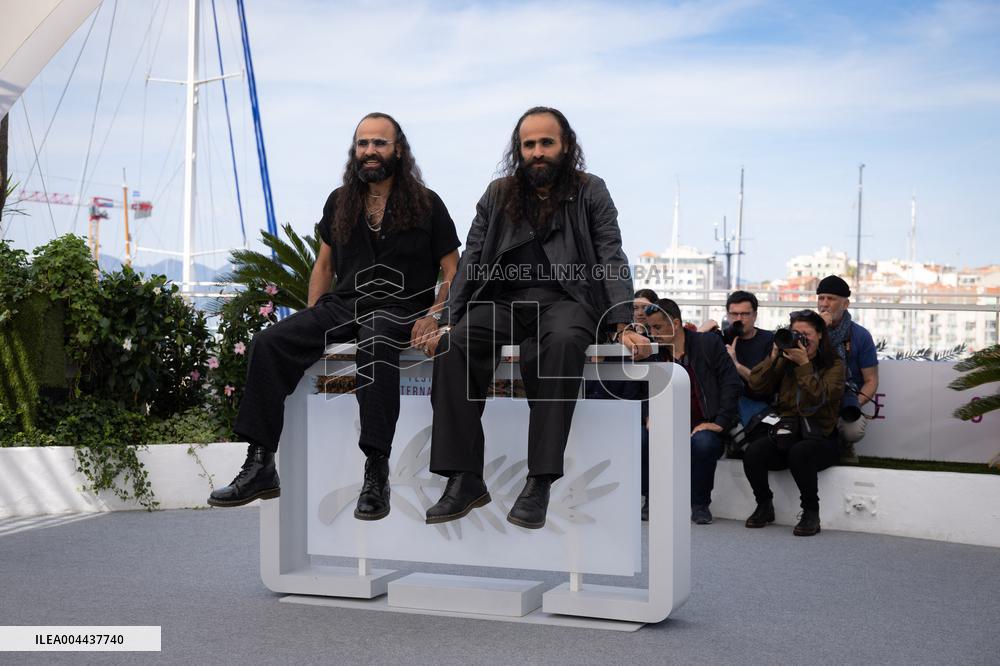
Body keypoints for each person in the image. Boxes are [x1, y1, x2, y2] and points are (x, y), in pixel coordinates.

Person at [207, 113, 461, 522]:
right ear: (354, 151)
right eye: (363, 144)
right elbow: (323, 266)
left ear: (398, 149)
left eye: (379, 143)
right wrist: (311, 319)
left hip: (401, 309)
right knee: (269, 343)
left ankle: (376, 472)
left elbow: (453, 269)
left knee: (376, 342)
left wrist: (434, 314)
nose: (370, 152)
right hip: (343, 306)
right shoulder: (339, 201)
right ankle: (260, 464)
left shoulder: (427, 204)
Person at [422, 106, 650, 529]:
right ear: (518, 150)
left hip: (570, 298)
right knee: (455, 346)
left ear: (566, 146)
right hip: (504, 301)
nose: (538, 152)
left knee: (562, 344)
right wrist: (449, 319)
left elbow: (610, 254)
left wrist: (622, 321)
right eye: (529, 145)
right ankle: (464, 477)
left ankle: (540, 481)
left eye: (547, 143)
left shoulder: (590, 191)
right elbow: (472, 260)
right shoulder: (497, 193)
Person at [742, 309, 845, 536]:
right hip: (788, 431)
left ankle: (810, 512)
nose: (801, 339)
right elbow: (756, 385)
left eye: (806, 334)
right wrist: (774, 357)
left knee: (800, 452)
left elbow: (818, 398)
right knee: (753, 453)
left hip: (821, 437)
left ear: (820, 335)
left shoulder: (834, 365)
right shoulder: (784, 360)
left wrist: (804, 365)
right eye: (795, 333)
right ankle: (764, 505)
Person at [643, 298, 742, 525]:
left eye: (657, 327)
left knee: (704, 443)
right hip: (669, 422)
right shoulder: (655, 353)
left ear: (675, 323)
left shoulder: (708, 344)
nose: (653, 333)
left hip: (705, 422)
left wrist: (719, 423)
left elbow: (731, 383)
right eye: (650, 328)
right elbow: (644, 388)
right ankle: (651, 499)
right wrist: (648, 414)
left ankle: (700, 505)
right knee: (644, 437)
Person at [815, 275, 878, 460]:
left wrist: (854, 405)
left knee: (853, 431)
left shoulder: (860, 335)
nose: (824, 304)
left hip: (846, 397)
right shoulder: (807, 331)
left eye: (831, 299)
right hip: (812, 393)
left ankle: (845, 443)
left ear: (845, 304)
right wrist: (820, 330)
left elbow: (871, 380)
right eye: (821, 298)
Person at [723, 291, 775, 428]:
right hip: (727, 404)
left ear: (755, 316)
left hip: (757, 403)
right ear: (727, 315)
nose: (739, 319)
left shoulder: (768, 340)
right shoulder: (721, 338)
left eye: (745, 314)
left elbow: (764, 384)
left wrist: (736, 365)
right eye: (734, 314)